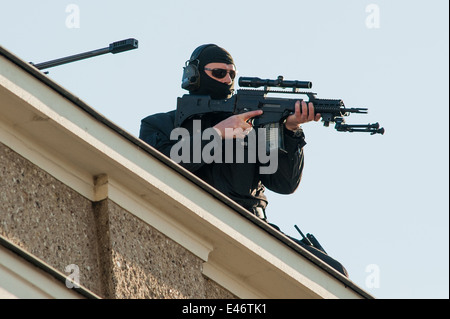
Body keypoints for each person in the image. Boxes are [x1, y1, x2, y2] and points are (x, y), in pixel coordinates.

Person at [139, 44, 348, 277]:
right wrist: (217, 134)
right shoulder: (160, 124)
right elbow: (161, 166)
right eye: (219, 73)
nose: (227, 79)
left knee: (334, 273)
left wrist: (289, 131)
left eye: (232, 74)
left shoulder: (259, 128)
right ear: (194, 75)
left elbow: (283, 183)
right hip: (194, 219)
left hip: (253, 228)